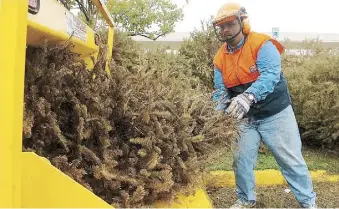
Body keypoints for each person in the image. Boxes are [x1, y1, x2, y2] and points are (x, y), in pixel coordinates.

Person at [211, 2, 317, 208]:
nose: (225, 30)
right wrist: (215, 116)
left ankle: (308, 203)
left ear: (243, 22)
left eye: (229, 24)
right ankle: (245, 199)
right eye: (221, 27)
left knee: (291, 161)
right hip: (245, 119)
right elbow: (220, 92)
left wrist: (248, 97)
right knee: (241, 162)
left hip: (276, 113)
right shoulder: (219, 59)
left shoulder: (262, 44)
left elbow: (270, 75)